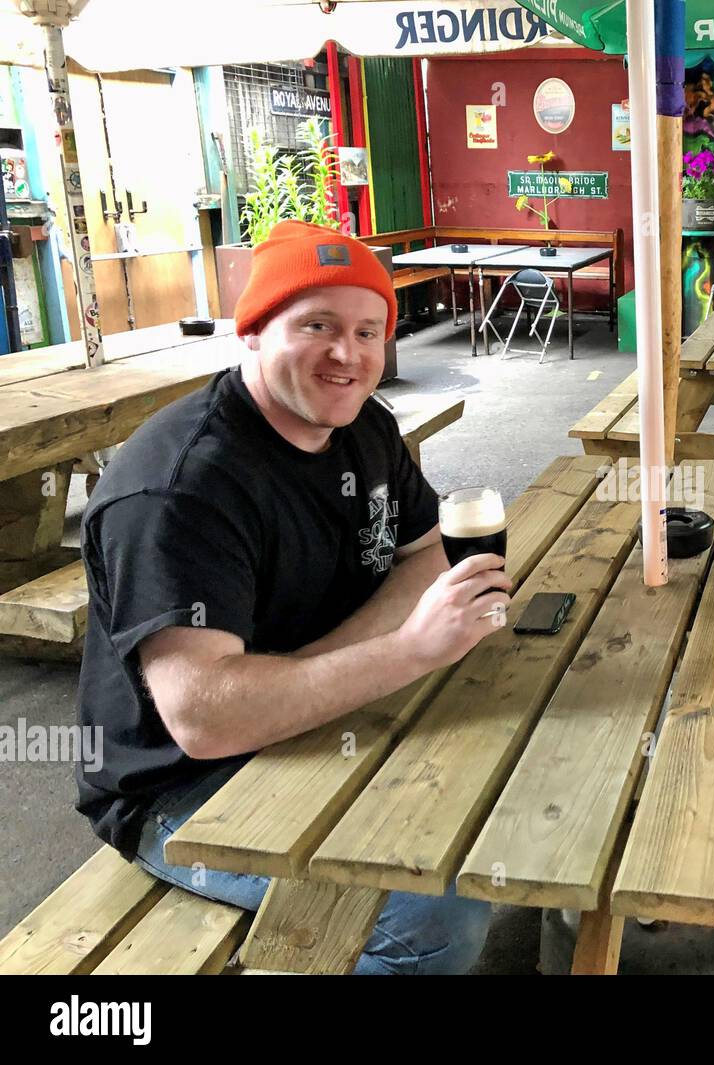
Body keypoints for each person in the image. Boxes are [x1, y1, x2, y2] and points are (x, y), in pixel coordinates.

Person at [75, 221, 510, 973]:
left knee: (510, 776)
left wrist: (349, 663)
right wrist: (402, 651)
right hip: (180, 789)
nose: (349, 355)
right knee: (433, 907)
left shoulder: (362, 427)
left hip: (310, 719)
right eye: (317, 325)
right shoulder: (180, 490)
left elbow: (424, 550)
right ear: (253, 332)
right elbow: (206, 718)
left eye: (368, 331)